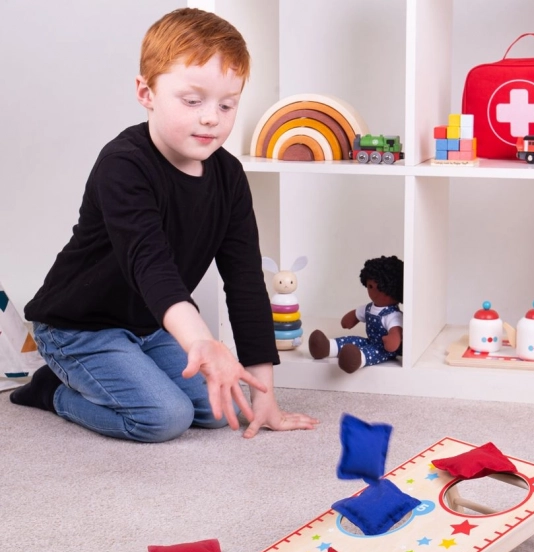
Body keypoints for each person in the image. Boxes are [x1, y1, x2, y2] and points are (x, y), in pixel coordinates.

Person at [10, 8, 319, 442]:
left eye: (227, 104)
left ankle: (132, 367)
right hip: (78, 325)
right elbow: (149, 264)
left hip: (149, 324)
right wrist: (200, 342)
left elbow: (245, 279)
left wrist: (263, 389)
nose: (211, 117)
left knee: (225, 407)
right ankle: (52, 391)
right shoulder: (123, 165)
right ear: (146, 92)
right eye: (193, 101)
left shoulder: (228, 176)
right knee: (163, 418)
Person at [308, 255, 404, 373]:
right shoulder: (369, 307)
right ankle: (327, 347)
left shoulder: (393, 315)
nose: (371, 290)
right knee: (352, 340)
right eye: (369, 286)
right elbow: (352, 318)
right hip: (370, 341)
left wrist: (391, 341)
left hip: (384, 349)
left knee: (370, 352)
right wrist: (351, 320)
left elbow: (394, 338)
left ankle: (357, 359)